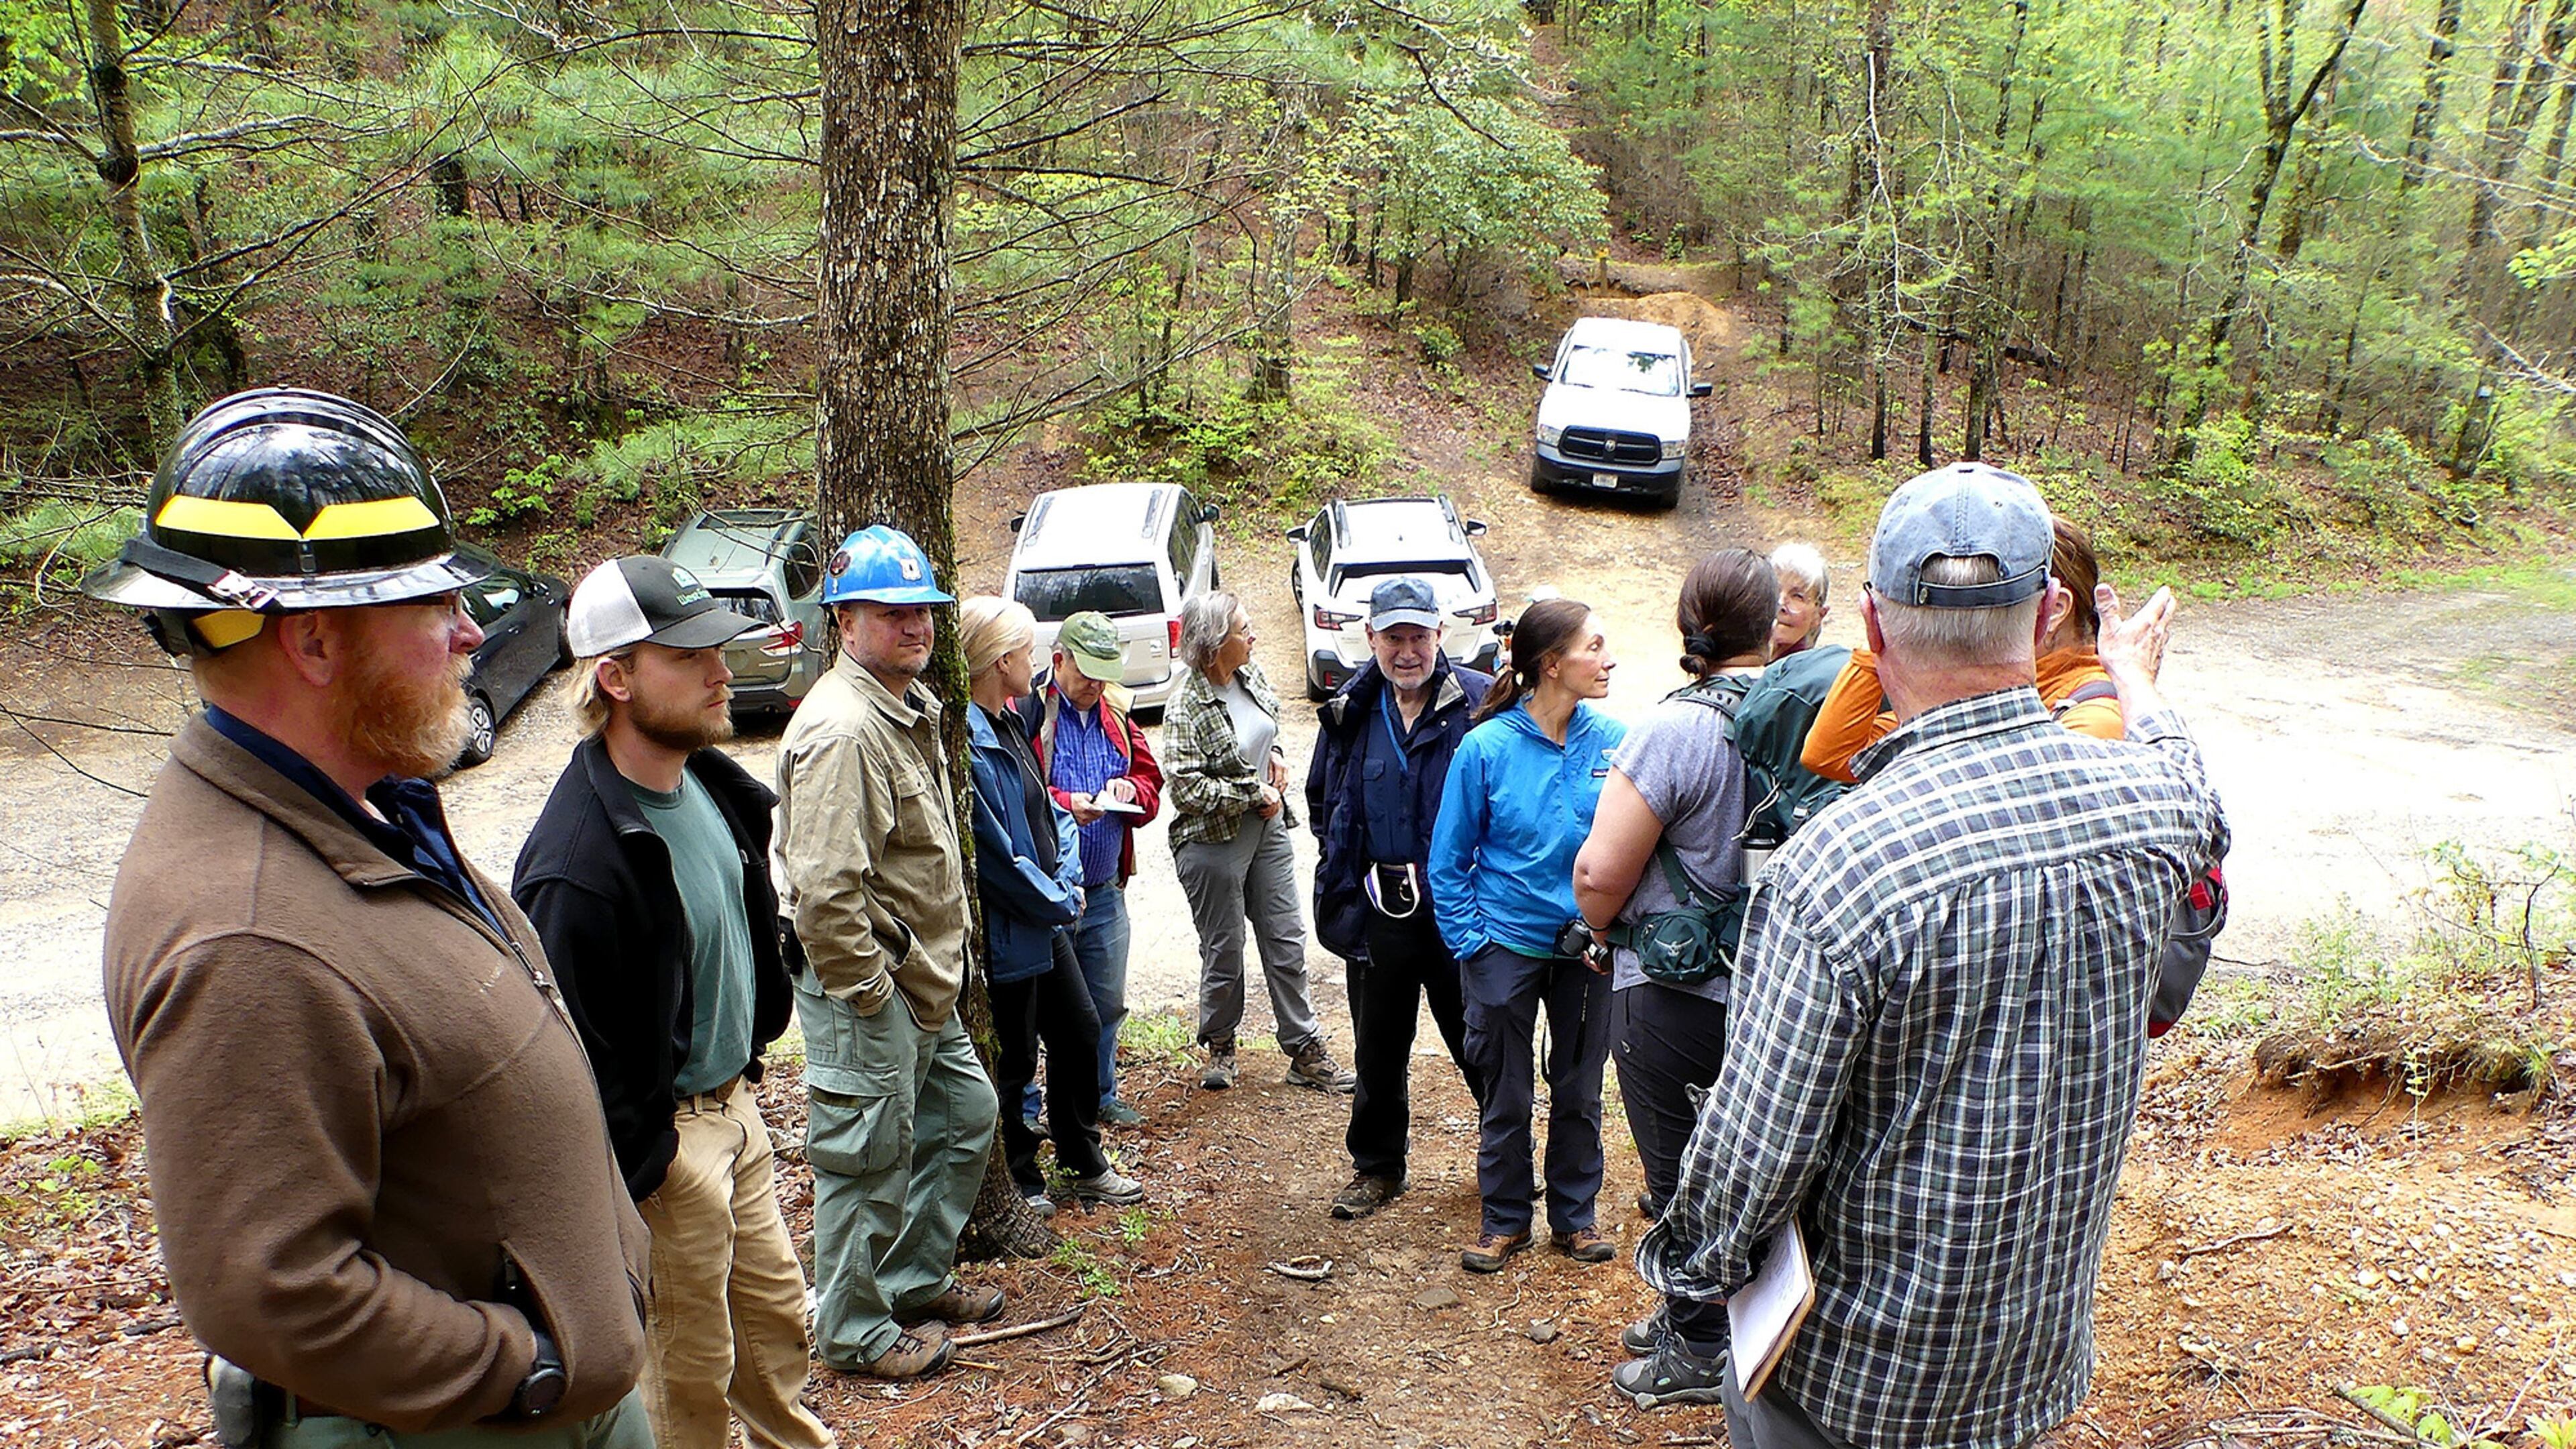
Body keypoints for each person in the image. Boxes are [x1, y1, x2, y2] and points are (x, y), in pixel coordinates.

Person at [88, 388, 651, 1445]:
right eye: (432, 607)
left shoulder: (359, 805)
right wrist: (524, 1367)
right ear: (312, 644)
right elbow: (274, 1290)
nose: (472, 631)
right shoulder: (244, 933)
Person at [1637, 463, 2228, 1444]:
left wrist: (1686, 1272)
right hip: (2030, 1368)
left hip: (1851, 1382)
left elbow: (1751, 1157)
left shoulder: (1836, 867)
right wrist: (2130, 672)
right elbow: (2190, 777)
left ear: (1870, 628)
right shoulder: (2153, 806)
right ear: (2047, 617)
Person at [514, 555, 835, 1449]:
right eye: (688, 657)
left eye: (719, 651)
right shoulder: (576, 866)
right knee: (687, 1383)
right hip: (671, 1150)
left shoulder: (707, 785)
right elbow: (568, 1059)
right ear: (614, 677)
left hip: (740, 1114)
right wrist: (652, 1161)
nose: (721, 671)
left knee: (775, 1336)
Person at [773, 525, 1002, 1382]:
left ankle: (909, 1280)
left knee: (963, 1116)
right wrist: (871, 996)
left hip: (920, 986)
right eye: (891, 612)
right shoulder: (842, 729)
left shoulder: (897, 708)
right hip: (874, 990)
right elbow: (827, 893)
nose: (915, 627)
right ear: (845, 622)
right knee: (866, 1157)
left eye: (923, 612)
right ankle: (854, 1331)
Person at [1567, 549, 1776, 1400]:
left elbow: (1597, 876)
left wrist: (1598, 930)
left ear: (1690, 623)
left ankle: (1699, 1348)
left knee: (1680, 1172)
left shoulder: (1675, 729)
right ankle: (1728, 1317)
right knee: (1763, 1163)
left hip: (1674, 988)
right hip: (1783, 989)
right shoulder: (1811, 724)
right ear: (1770, 625)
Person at [1426, 597, 1627, 1274]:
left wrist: (1613, 928)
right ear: (1551, 664)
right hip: (1503, 948)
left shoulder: (1614, 741)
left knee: (1579, 1087)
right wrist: (1474, 946)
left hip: (1587, 949)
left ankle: (1574, 1218)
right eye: (1593, 647)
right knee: (1505, 1091)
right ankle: (1504, 1219)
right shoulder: (1485, 748)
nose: (1608, 660)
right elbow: (1447, 861)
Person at [1305, 577, 1494, 1222]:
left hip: (1455, 911)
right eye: (1394, 637)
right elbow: (1320, 798)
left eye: (1418, 636)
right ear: (1371, 639)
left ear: (1440, 634)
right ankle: (1377, 1168)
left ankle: (1507, 1162)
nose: (1407, 651)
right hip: (1377, 910)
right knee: (1377, 1046)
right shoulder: (1349, 710)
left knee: (1478, 1039)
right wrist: (1344, 868)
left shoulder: (1478, 704)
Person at [959, 596, 1147, 1213]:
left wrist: (1065, 882)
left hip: (1051, 915)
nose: (1033, 661)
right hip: (1015, 926)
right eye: (1024, 651)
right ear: (998, 660)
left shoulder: (1010, 723)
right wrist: (1055, 898)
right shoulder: (972, 734)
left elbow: (1048, 815)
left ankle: (1081, 1159)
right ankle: (1019, 1177)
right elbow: (992, 852)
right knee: (1013, 1057)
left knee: (1079, 1029)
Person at [1166, 590, 1354, 1094]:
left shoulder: (1251, 674)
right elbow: (1185, 788)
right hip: (1212, 840)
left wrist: (1279, 759)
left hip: (1265, 828)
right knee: (1225, 948)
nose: (1254, 636)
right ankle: (1222, 1045)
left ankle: (1304, 1048)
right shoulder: (1186, 704)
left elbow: (1267, 731)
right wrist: (1254, 792)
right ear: (1213, 644)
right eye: (1243, 630)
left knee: (1286, 936)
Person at [1801, 515, 2118, 780]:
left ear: (2054, 609)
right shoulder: (1985, 694)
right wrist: (1884, 630)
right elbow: (1832, 756)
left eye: (1990, 599)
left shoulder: (2093, 719)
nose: (1965, 619)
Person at [1012, 610, 1164, 1129]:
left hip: (1103, 892)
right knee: (1034, 1013)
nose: (1096, 684)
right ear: (1059, 661)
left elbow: (1150, 787)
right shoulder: (1029, 711)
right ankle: (1030, 1111)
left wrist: (1130, 792)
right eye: (1086, 673)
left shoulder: (1116, 713)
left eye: (1105, 673)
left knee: (1104, 1004)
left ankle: (1098, 1096)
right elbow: (1017, 793)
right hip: (1045, 896)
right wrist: (1066, 804)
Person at [1768, 541, 1832, 659]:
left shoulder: (1809, 673)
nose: (1780, 603)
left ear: (1819, 615)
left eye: (1797, 596)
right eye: (1775, 589)